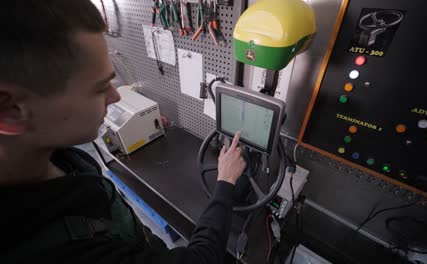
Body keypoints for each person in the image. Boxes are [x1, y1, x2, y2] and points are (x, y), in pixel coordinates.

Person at [0, 1, 246, 263]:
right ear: (11, 110)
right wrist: (225, 183)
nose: (115, 96)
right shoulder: (70, 250)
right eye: (100, 87)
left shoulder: (54, 157)